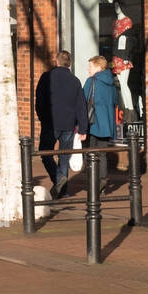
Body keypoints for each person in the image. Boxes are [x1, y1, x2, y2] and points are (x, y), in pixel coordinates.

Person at [35, 50, 89, 199]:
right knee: (64, 157)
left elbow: (39, 101)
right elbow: (81, 107)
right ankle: (63, 191)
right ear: (69, 63)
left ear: (56, 61)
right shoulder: (75, 80)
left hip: (50, 123)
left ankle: (59, 179)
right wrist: (83, 128)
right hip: (69, 125)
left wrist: (42, 118)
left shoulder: (46, 77)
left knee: (44, 153)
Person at [83, 55, 119, 191]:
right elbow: (115, 102)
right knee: (102, 154)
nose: (88, 69)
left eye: (91, 66)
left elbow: (83, 101)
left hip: (93, 122)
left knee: (91, 153)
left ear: (99, 67)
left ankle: (94, 184)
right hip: (107, 124)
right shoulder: (111, 83)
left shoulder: (91, 81)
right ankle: (102, 182)